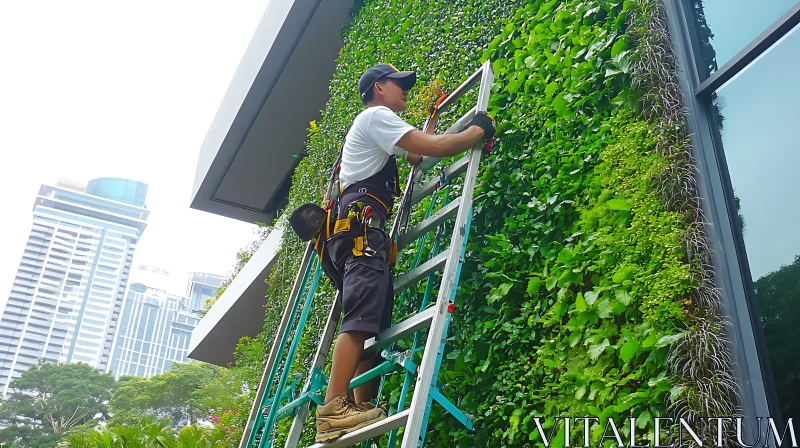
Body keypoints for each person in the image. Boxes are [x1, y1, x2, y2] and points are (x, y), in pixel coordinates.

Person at [314, 63, 495, 443]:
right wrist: (478, 129)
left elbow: (416, 156)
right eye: (400, 85)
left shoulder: (374, 126)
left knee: (370, 323)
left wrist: (429, 124)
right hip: (362, 233)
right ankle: (333, 410)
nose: (406, 92)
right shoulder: (376, 116)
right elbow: (434, 149)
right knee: (360, 318)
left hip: (351, 235)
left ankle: (358, 409)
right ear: (379, 88)